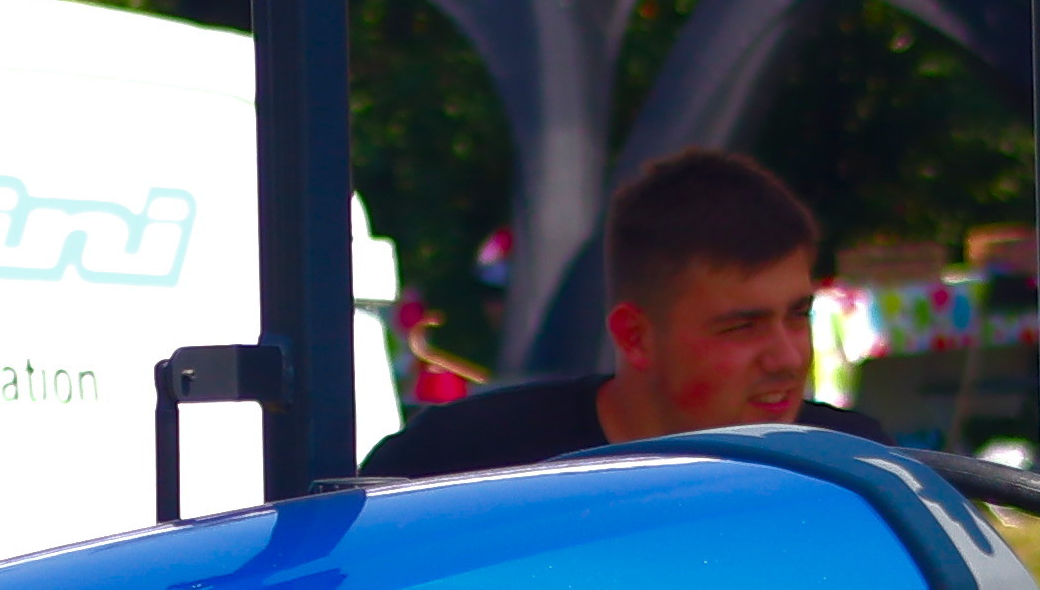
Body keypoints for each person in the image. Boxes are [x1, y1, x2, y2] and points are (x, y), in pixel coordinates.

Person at [363, 146, 874, 476]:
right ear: (634, 337)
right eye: (743, 327)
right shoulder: (463, 464)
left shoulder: (861, 470)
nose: (787, 358)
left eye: (798, 315)